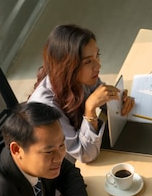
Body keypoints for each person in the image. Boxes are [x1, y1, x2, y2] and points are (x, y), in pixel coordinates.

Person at [28, 24, 135, 163]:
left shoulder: (80, 78)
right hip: (62, 170)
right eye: (88, 61)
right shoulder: (46, 108)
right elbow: (85, 154)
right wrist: (90, 110)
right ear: (68, 66)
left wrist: (119, 100)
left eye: (98, 56)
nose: (98, 66)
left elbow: (103, 101)